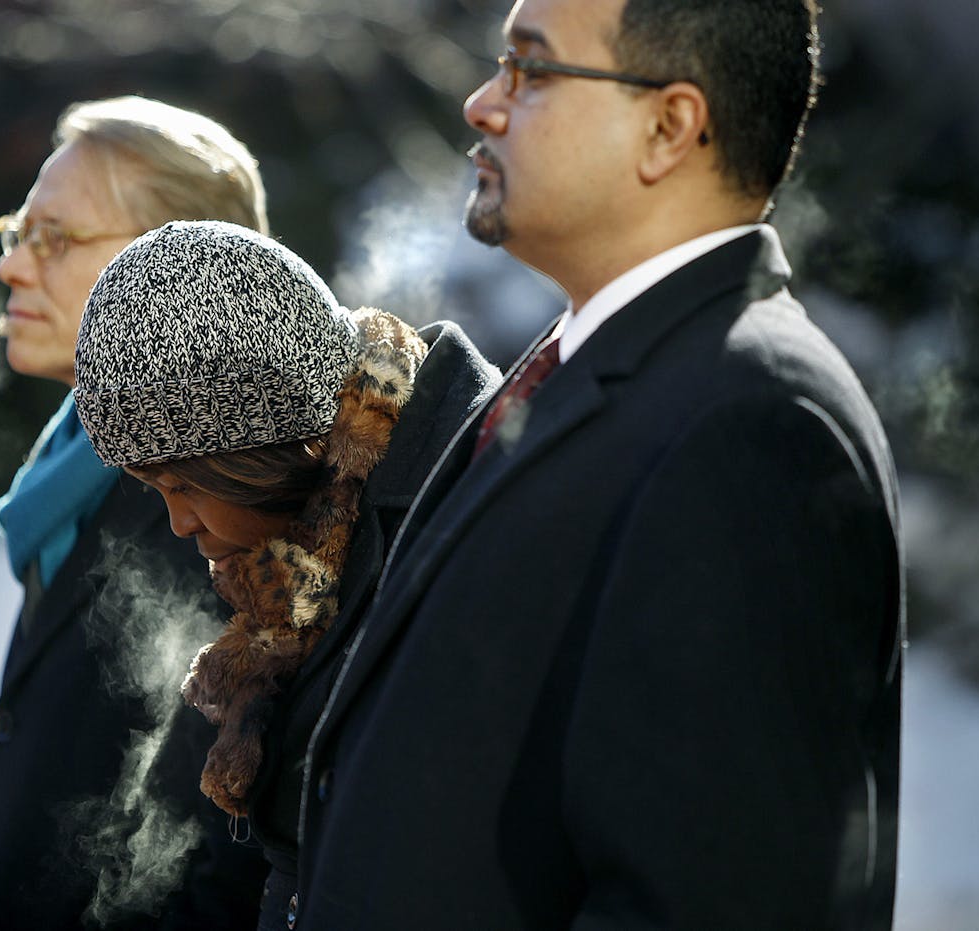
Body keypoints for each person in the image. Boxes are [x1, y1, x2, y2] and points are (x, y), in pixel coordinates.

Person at [297, 0, 906, 928]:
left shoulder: (753, 423)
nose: (480, 104)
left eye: (529, 71)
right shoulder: (593, 365)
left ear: (669, 127)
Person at [70, 219, 501, 931]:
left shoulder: (456, 518)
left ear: (262, 446)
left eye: (182, 485)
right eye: (154, 492)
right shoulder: (292, 558)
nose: (178, 523)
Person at [0, 96, 271, 929]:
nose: (14, 266)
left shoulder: (221, 522)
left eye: (54, 238)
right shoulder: (70, 486)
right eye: (17, 232)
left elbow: (217, 875)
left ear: (181, 266)